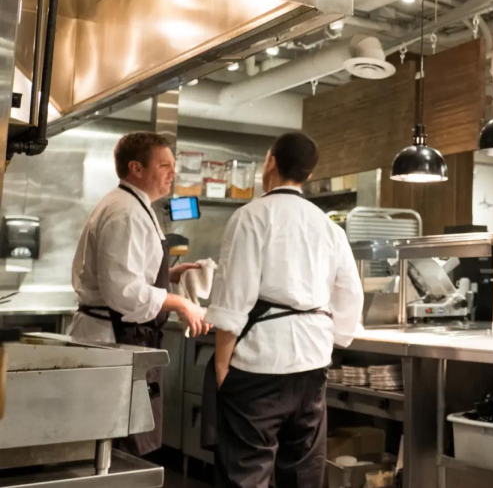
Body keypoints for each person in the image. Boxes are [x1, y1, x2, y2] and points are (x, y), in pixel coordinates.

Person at [204, 132, 364, 488]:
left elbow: (234, 296)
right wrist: (332, 340)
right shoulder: (328, 226)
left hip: (258, 363)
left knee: (246, 471)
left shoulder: (250, 216)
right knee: (303, 472)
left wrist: (221, 364)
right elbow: (351, 292)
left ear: (271, 163)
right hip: (312, 363)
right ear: (308, 175)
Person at [69, 131, 211, 455]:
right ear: (136, 168)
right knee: (115, 443)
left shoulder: (134, 205)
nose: (172, 173)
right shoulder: (127, 212)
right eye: (164, 166)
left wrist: (170, 275)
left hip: (122, 337)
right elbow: (124, 292)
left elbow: (129, 274)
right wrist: (180, 302)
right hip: (112, 339)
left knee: (121, 438)